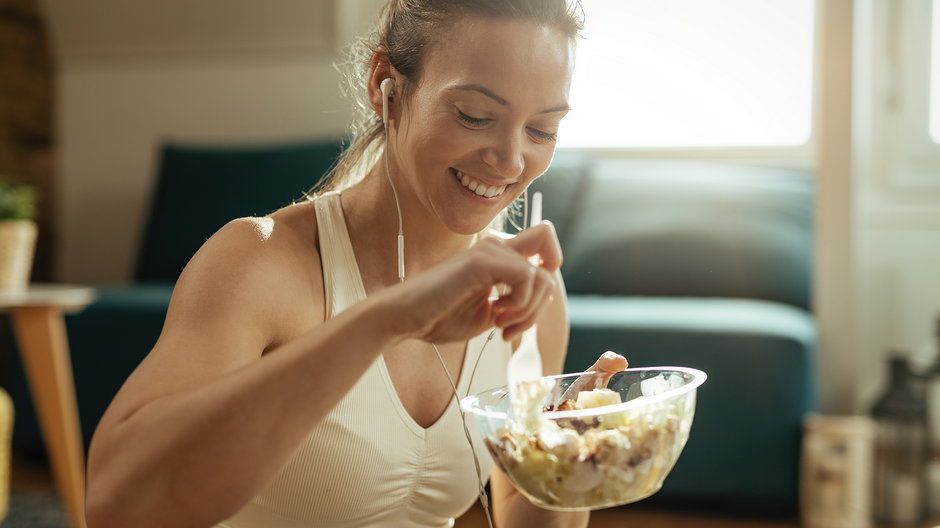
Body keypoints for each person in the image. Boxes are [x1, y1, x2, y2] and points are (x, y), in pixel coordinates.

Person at [85, 1, 627, 527]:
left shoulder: (533, 290)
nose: (511, 161)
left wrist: (565, 459)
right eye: (475, 115)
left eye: (542, 130)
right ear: (383, 85)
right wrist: (383, 320)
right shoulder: (260, 263)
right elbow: (117, 505)